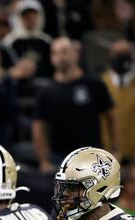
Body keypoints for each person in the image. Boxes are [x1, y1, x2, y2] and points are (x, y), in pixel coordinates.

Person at [33, 37, 115, 172]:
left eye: (64, 51)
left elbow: (111, 116)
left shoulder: (94, 85)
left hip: (92, 158)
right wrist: (43, 160)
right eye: (55, 53)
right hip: (58, 159)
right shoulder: (46, 91)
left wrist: (115, 148)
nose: (60, 57)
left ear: (76, 54)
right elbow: (39, 127)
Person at [3, 0, 53, 78]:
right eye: (26, 16)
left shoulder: (46, 40)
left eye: (34, 15)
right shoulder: (11, 40)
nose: (30, 19)